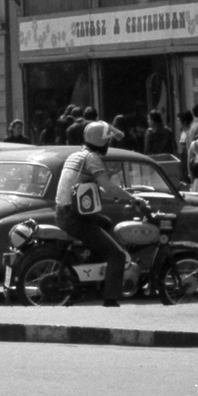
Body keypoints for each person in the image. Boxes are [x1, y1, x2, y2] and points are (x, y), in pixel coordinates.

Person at [56, 121, 131, 307]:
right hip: (75, 217)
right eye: (108, 141)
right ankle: (110, 299)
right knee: (117, 255)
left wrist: (114, 194)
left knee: (106, 223)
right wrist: (132, 198)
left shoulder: (76, 155)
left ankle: (93, 273)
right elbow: (109, 186)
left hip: (64, 212)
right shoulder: (92, 158)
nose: (109, 144)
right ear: (101, 142)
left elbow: (97, 187)